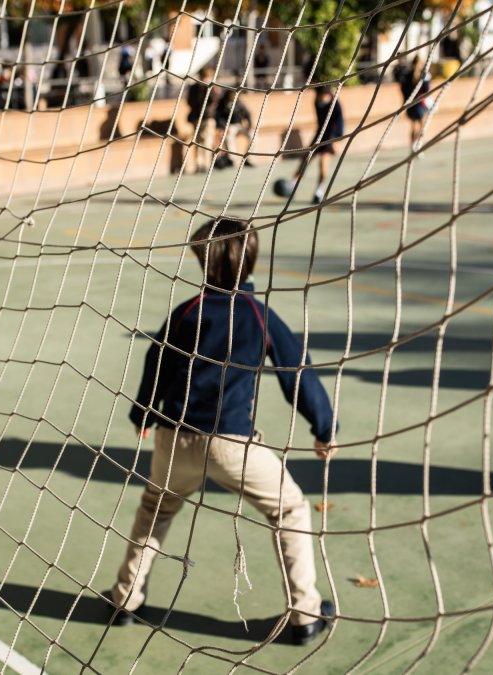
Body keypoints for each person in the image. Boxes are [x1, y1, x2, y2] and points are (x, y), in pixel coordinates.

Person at [111, 218, 338, 646]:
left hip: (173, 440)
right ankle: (306, 615)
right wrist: (324, 428)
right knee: (290, 510)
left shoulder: (186, 312)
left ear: (202, 261)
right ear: (251, 261)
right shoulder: (259, 315)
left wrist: (143, 415)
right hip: (232, 446)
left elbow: (156, 360)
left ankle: (125, 599)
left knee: (156, 508)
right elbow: (298, 375)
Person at [286, 86, 345, 205]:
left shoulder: (335, 103)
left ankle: (319, 191)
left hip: (331, 137)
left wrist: (336, 140)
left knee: (323, 163)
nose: (322, 99)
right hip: (320, 134)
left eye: (324, 97)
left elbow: (340, 123)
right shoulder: (316, 102)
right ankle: (292, 184)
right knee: (306, 158)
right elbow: (320, 122)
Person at [184, 66, 219, 173]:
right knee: (204, 140)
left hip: (200, 117)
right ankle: (204, 164)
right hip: (205, 117)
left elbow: (189, 102)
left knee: (200, 140)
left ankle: (200, 164)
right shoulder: (206, 87)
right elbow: (214, 100)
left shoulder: (195, 87)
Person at [212, 88, 254, 169]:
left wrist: (249, 125)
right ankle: (233, 159)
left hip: (239, 125)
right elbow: (218, 116)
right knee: (229, 137)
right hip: (229, 126)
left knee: (252, 136)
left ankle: (248, 158)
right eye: (232, 94)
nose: (233, 95)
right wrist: (224, 127)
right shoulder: (223, 103)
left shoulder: (239, 103)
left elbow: (247, 113)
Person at [399, 57, 431, 146]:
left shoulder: (407, 75)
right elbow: (426, 90)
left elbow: (402, 89)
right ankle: (417, 143)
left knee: (414, 125)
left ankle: (413, 144)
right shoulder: (423, 76)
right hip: (418, 104)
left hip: (410, 104)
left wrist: (405, 100)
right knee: (422, 125)